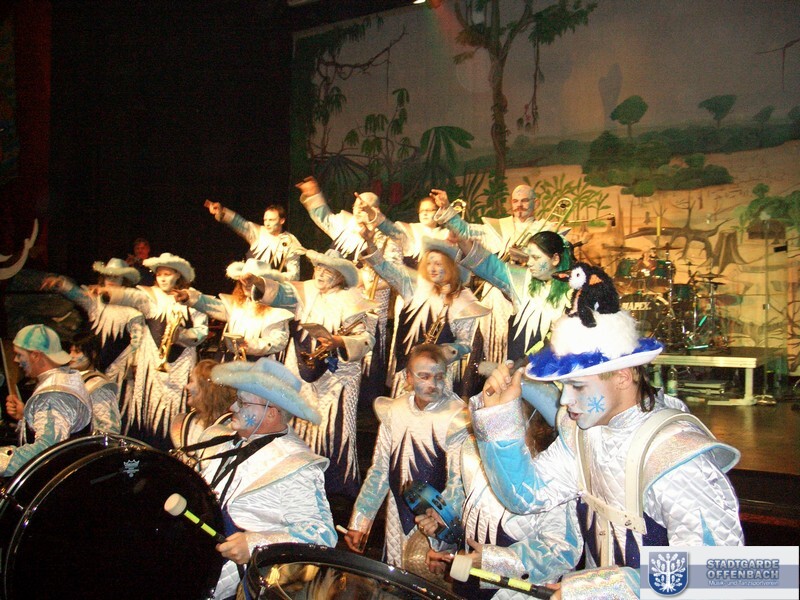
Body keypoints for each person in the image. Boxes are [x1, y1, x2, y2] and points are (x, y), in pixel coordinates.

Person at [472, 278, 743, 598]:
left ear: (623, 377)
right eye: (564, 385)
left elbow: (721, 573)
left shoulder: (674, 455)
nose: (564, 400)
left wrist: (596, 591)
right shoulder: (581, 434)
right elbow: (526, 497)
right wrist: (498, 417)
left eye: (578, 386)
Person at [418, 396, 581, 599]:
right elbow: (466, 531)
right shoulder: (478, 466)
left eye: (503, 421)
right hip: (467, 591)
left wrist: (492, 561)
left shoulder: (552, 481)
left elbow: (562, 552)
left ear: (534, 426)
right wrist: (441, 532)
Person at [201, 358, 336, 600]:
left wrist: (254, 544)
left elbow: (321, 536)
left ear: (271, 413)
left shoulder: (296, 465)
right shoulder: (227, 443)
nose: (232, 406)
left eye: (243, 402)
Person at [250, 249, 376, 498]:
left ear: (339, 276)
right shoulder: (305, 291)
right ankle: (297, 476)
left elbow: (366, 339)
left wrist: (339, 341)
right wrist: (258, 282)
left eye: (327, 270)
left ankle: (334, 487)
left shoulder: (353, 299)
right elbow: (277, 293)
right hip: (301, 368)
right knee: (300, 423)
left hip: (338, 378)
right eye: (318, 268)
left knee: (332, 430)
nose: (319, 273)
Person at [344, 344, 469, 569]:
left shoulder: (456, 417)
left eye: (439, 377)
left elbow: (457, 484)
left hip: (435, 519)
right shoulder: (395, 410)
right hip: (397, 513)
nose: (433, 384)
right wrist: (360, 522)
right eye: (424, 376)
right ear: (409, 378)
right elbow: (380, 470)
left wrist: (442, 537)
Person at [295, 177, 405, 405]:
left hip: (367, 302)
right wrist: (313, 193)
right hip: (337, 300)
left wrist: (359, 279)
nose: (357, 211)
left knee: (362, 350)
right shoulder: (346, 227)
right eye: (356, 206)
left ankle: (361, 398)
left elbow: (393, 276)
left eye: (364, 207)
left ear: (375, 211)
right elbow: (324, 217)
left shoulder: (387, 238)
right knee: (331, 342)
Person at [359, 218, 488, 396]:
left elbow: (465, 344)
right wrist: (370, 243)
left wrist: (445, 352)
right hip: (406, 373)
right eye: (429, 263)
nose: (432, 268)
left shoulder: (462, 299)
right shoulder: (412, 288)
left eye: (438, 264)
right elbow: (385, 269)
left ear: (450, 267)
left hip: (438, 377)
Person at [100, 252, 208, 449]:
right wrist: (110, 293)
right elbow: (131, 296)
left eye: (168, 274)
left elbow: (202, 331)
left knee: (173, 410)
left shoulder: (191, 299)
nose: (163, 278)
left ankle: (172, 447)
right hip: (151, 366)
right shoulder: (150, 297)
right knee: (148, 410)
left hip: (181, 366)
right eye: (159, 275)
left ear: (178, 275)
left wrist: (181, 335)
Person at [453, 229, 573, 361]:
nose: (529, 262)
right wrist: (461, 239)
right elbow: (490, 266)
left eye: (536, 258)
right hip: (515, 367)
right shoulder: (524, 280)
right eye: (528, 257)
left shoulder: (573, 294)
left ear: (555, 259)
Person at [1, 325, 93, 477]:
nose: (16, 360)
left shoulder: (54, 395)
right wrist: (24, 416)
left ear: (36, 355)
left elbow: (47, 449)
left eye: (19, 355)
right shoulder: (62, 379)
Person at [41, 259, 145, 385]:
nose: (111, 280)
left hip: (119, 372)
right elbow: (78, 295)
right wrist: (60, 283)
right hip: (93, 368)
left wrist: (134, 364)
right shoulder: (96, 304)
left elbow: (138, 342)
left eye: (116, 277)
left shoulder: (133, 312)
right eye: (108, 276)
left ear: (124, 281)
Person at [174, 259, 293, 362]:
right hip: (231, 363)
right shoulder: (236, 305)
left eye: (252, 281)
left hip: (260, 366)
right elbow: (211, 305)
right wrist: (188, 297)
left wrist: (249, 345)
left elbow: (279, 341)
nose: (247, 285)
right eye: (244, 281)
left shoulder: (276, 311)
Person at [205, 200, 303, 280]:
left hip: (271, 289)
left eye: (271, 220)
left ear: (282, 220)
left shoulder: (290, 241)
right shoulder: (258, 232)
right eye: (265, 220)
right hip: (247, 283)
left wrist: (275, 278)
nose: (267, 223)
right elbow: (241, 224)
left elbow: (294, 274)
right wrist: (222, 212)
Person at [169, 358, 235, 467]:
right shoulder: (187, 424)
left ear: (206, 388)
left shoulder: (231, 428)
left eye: (191, 381)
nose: (186, 386)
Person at [68, 331, 121, 434]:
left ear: (93, 354)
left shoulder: (97, 385)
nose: (71, 356)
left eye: (77, 352)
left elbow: (108, 427)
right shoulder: (70, 378)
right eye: (70, 351)